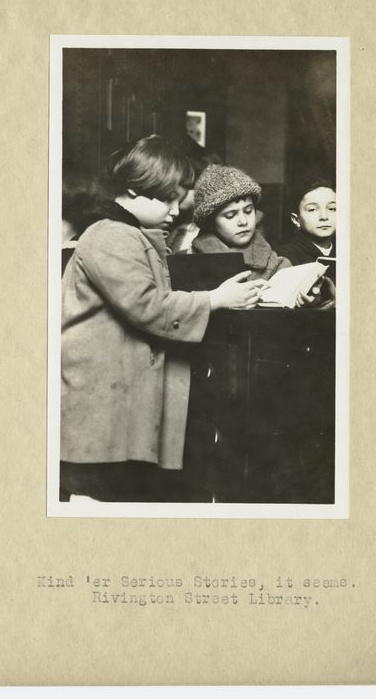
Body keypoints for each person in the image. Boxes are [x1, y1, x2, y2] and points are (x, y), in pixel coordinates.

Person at [60, 136, 265, 502]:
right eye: (168, 197)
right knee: (96, 494)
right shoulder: (111, 236)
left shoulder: (130, 234)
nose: (177, 207)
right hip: (101, 396)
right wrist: (216, 299)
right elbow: (148, 306)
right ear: (133, 191)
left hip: (116, 392)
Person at [188, 164, 292, 279]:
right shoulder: (187, 260)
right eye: (230, 215)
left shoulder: (278, 266)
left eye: (248, 211)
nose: (243, 221)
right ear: (210, 222)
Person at [276, 181, 337, 268]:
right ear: (296, 220)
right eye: (312, 209)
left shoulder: (348, 251)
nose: (324, 216)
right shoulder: (283, 256)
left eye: (332, 208)